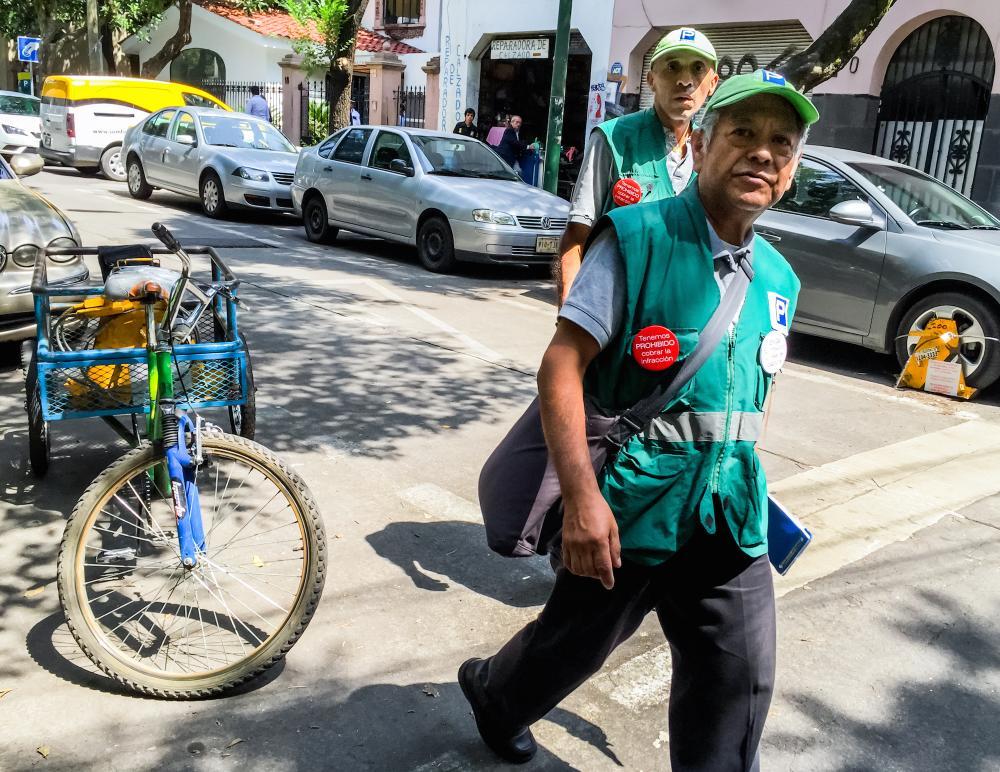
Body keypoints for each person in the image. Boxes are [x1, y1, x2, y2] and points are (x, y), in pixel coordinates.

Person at [458, 69, 819, 768]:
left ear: (794, 167)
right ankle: (494, 695)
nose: (763, 154)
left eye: (782, 142)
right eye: (744, 134)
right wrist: (583, 503)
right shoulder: (635, 238)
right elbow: (560, 368)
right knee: (570, 648)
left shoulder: (780, 277)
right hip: (633, 507)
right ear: (705, 143)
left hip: (729, 516)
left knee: (737, 682)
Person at [555, 28, 719, 306]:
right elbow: (576, 237)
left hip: (678, 314)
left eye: (697, 69)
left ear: (712, 83)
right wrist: (568, 313)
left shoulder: (712, 150)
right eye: (672, 67)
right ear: (651, 79)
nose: (685, 80)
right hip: (611, 308)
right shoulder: (613, 138)